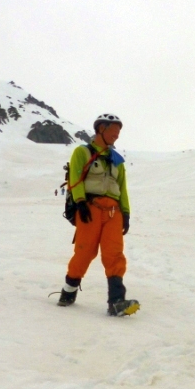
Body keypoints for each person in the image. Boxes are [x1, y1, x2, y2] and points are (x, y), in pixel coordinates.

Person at [56, 114, 139, 316]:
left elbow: (123, 188)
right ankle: (68, 291)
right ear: (101, 128)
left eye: (119, 132)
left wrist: (126, 212)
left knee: (114, 254)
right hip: (90, 208)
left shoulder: (117, 160)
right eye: (113, 131)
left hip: (114, 212)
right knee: (85, 252)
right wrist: (80, 202)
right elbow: (75, 178)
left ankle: (116, 301)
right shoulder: (82, 152)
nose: (116, 135)